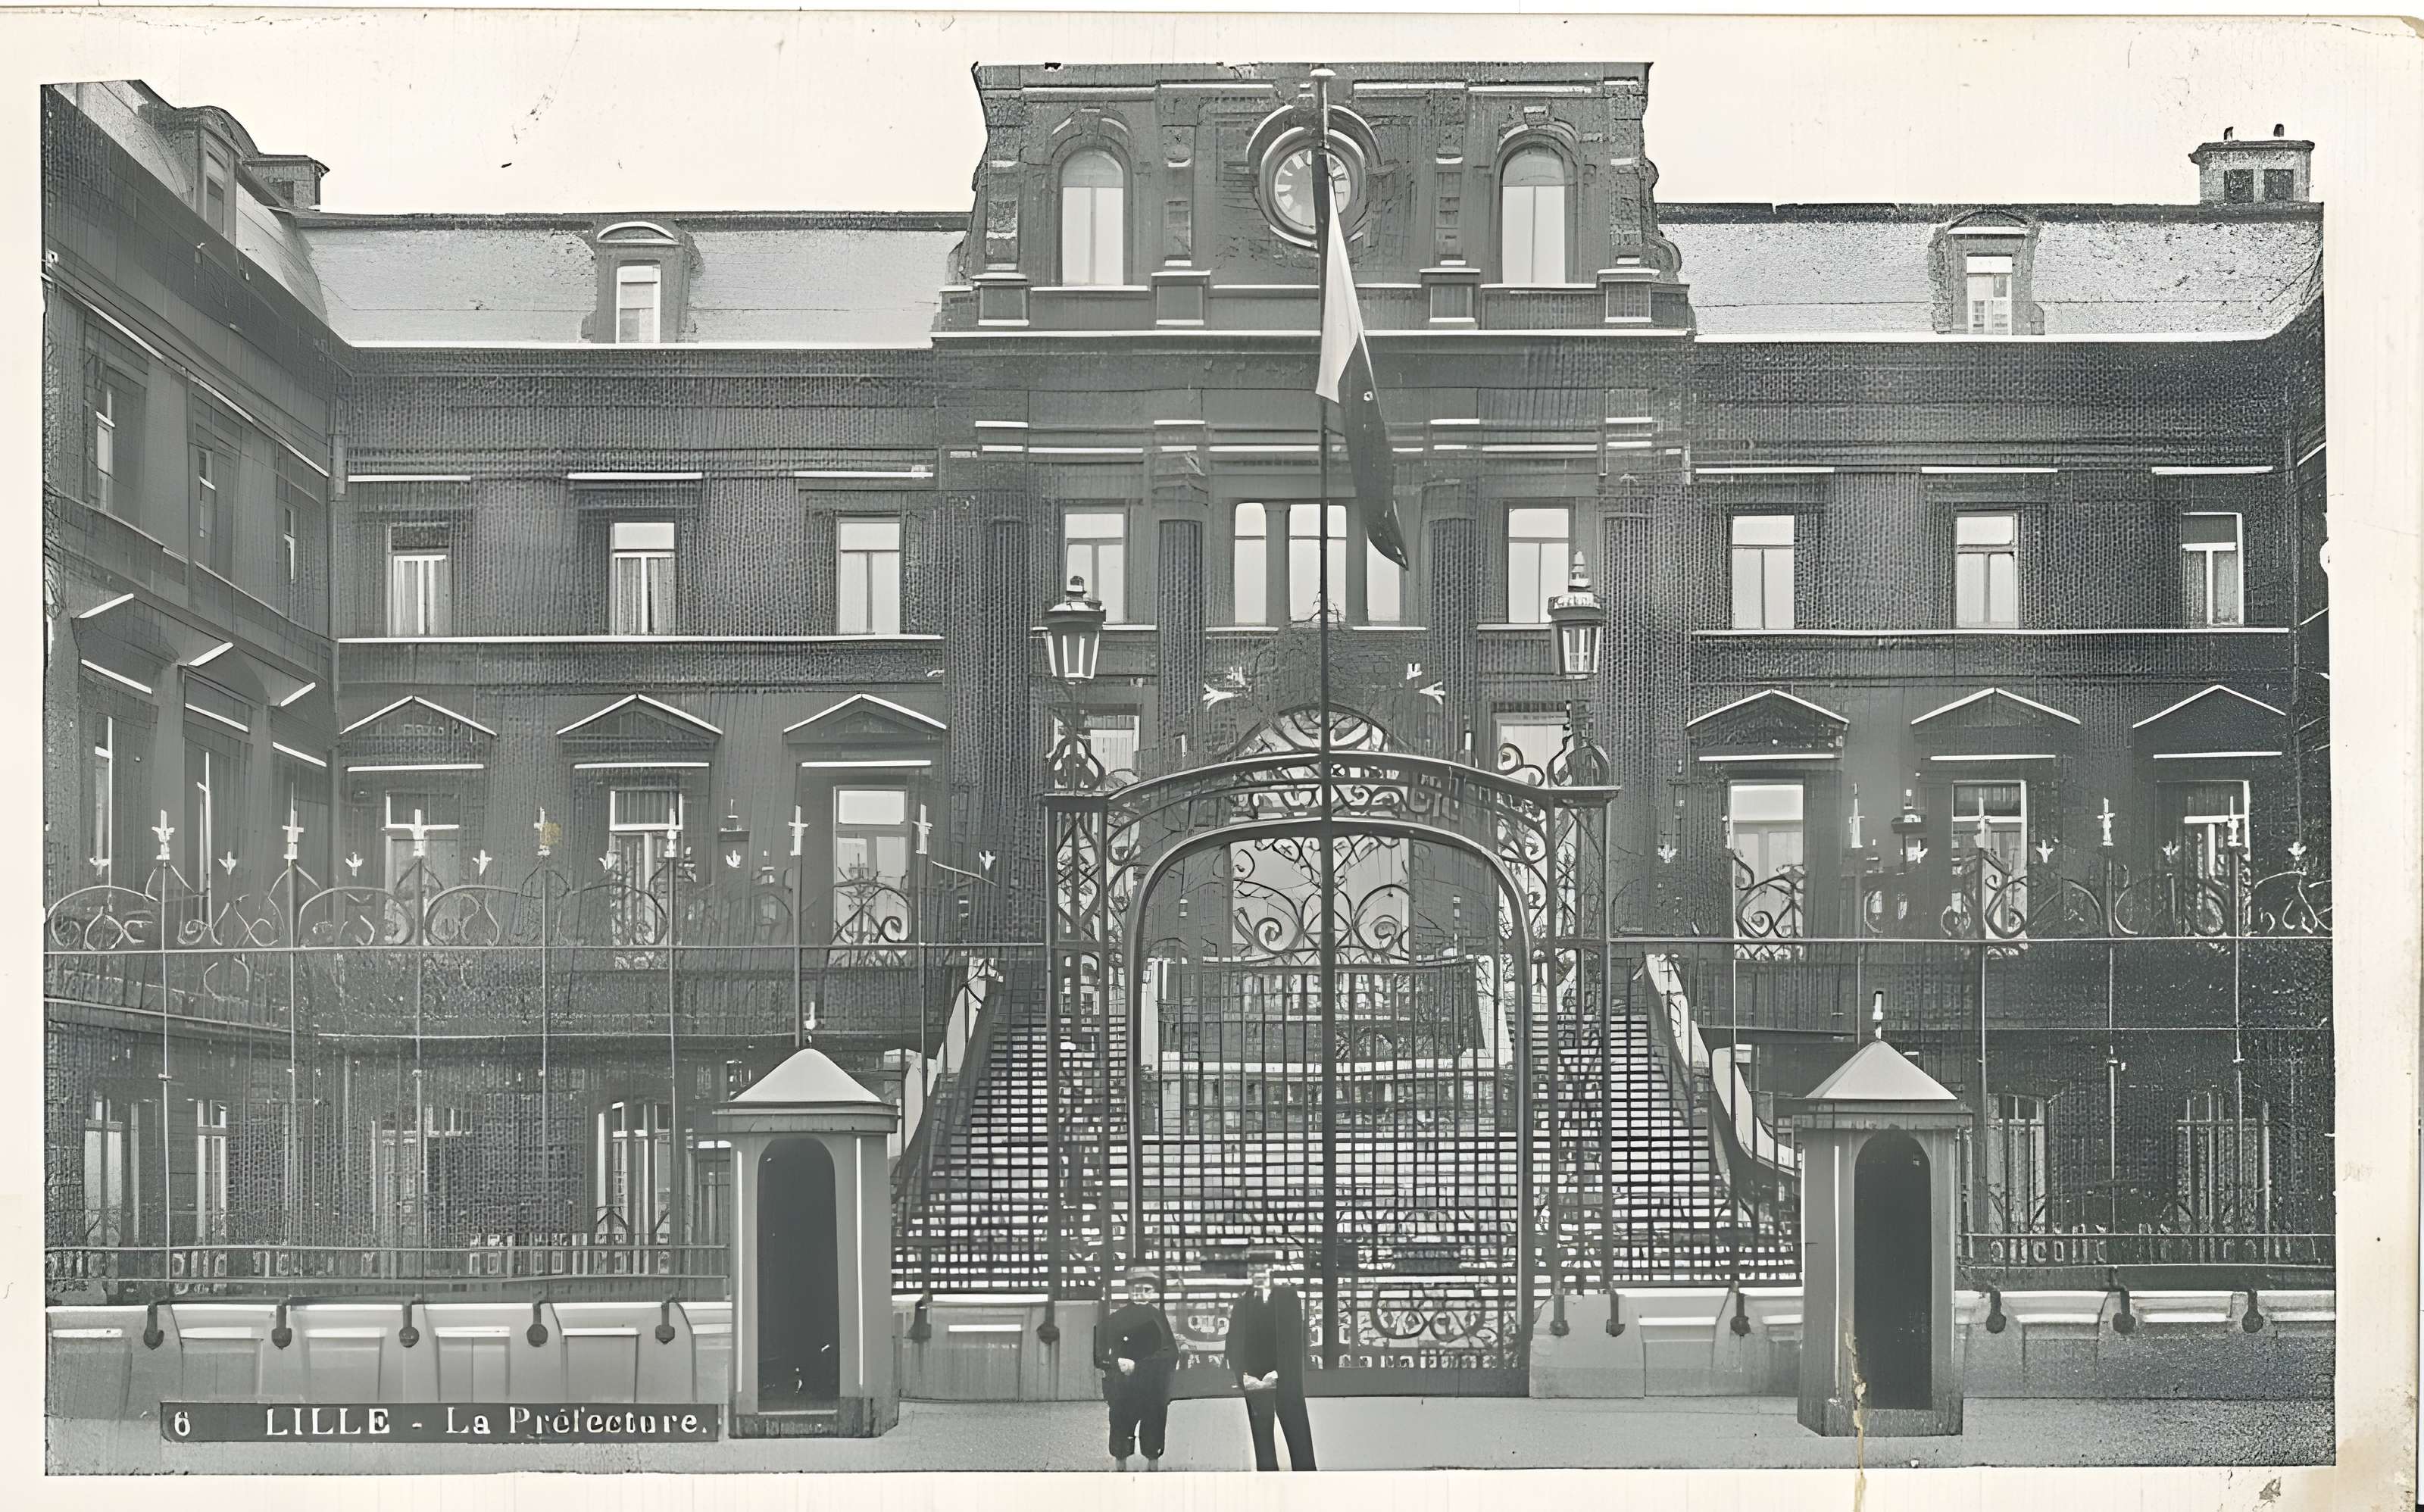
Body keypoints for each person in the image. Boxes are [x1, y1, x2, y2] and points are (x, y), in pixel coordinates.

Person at [1223, 1251, 1315, 1470]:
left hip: (1283, 1378)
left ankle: (1309, 1482)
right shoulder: (1242, 1303)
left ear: (1272, 1272)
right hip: (1254, 1380)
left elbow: (1294, 1341)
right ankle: (1268, 1484)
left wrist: (1280, 1372)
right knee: (1262, 1439)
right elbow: (1233, 1343)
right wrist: (1243, 1376)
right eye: (1253, 1271)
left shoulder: (1287, 1298)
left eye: (1263, 1269)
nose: (1258, 1275)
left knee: (1298, 1435)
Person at [1095, 1267, 1180, 1471]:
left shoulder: (1158, 1317)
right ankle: (1121, 1468)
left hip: (1153, 1386)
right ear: (1128, 1291)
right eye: (1136, 1289)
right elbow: (1099, 1352)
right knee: (1120, 1429)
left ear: (1153, 1292)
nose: (1140, 1294)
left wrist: (1140, 1365)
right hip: (1123, 1388)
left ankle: (1153, 1468)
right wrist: (1116, 1362)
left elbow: (1171, 1353)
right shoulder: (1116, 1319)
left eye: (1146, 1290)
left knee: (1153, 1429)